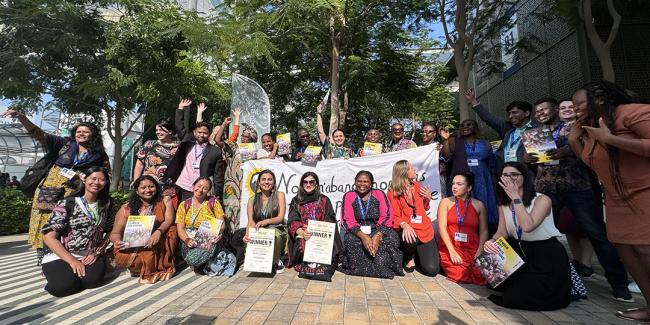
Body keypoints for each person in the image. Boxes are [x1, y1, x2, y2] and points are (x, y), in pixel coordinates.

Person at [531, 97, 630, 300]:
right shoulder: (535, 134)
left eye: (544, 110)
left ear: (556, 110)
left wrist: (565, 151)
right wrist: (527, 158)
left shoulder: (574, 128)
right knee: (539, 231)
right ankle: (538, 275)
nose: (540, 113)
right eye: (537, 111)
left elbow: (588, 148)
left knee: (596, 233)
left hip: (576, 187)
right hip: (547, 188)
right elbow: (532, 158)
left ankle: (620, 285)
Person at [569, 81, 650, 322]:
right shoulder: (592, 127)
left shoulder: (635, 112)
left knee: (646, 250)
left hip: (645, 192)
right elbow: (593, 164)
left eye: (579, 104)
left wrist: (610, 139)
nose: (575, 109)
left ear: (601, 99)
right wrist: (575, 140)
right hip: (617, 198)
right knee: (626, 252)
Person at [0, 109, 110, 264]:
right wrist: (22, 117)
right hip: (49, 190)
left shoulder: (99, 154)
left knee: (68, 222)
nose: (82, 134)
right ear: (74, 133)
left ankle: (66, 255)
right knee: (44, 222)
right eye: (79, 131)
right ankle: (43, 257)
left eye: (86, 131)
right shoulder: (64, 144)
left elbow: (105, 174)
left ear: (93, 134)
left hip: (74, 192)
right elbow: (38, 134)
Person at [484, 162, 570, 311]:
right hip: (521, 250)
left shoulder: (542, 200)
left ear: (525, 177)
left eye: (514, 175)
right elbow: (502, 232)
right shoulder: (503, 203)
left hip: (546, 254)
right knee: (495, 284)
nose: (509, 178)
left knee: (516, 297)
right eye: (505, 175)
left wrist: (516, 197)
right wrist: (491, 241)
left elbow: (528, 226)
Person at [40, 167, 113, 297]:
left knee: (92, 282)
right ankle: (55, 274)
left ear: (106, 183)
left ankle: (68, 275)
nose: (97, 182)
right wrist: (72, 261)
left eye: (102, 180)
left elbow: (111, 231)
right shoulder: (68, 203)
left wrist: (98, 251)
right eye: (93, 178)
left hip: (90, 255)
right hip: (63, 254)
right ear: (84, 179)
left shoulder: (107, 204)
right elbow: (49, 237)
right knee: (63, 288)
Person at [110, 175, 177, 284]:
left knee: (172, 230)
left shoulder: (165, 200)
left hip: (157, 242)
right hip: (133, 247)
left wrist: (158, 232)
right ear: (137, 191)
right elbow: (115, 232)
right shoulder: (127, 208)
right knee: (131, 258)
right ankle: (144, 267)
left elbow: (169, 219)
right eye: (143, 188)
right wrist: (117, 241)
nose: (148, 190)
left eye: (151, 186)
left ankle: (155, 266)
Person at [340, 171, 403, 278]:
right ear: (355, 182)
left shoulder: (379, 194)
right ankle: (358, 269)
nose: (362, 184)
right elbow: (348, 220)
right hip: (358, 231)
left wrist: (378, 236)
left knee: (391, 239)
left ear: (371, 184)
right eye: (359, 181)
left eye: (366, 181)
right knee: (350, 240)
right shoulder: (349, 196)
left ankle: (383, 267)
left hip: (378, 229)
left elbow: (387, 216)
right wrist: (364, 237)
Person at [557, 99, 594, 276]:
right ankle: (577, 260)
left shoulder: (586, 126)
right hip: (558, 185)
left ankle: (587, 263)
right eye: (562, 108)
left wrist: (566, 151)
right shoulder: (556, 129)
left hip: (582, 183)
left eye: (569, 107)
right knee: (568, 225)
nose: (566, 110)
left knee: (586, 227)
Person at [442, 119, 498, 235]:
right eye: (462, 125)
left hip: (483, 182)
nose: (465, 127)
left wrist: (494, 186)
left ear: (476, 128)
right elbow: (446, 157)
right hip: (463, 181)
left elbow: (492, 165)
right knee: (463, 212)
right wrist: (446, 140)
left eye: (469, 125)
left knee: (483, 211)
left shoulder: (485, 143)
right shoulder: (454, 142)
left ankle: (485, 238)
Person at [163, 100, 225, 203]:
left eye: (205, 133)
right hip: (181, 184)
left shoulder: (216, 152)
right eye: (199, 132)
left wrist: (218, 196)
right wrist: (180, 108)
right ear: (195, 133)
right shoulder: (188, 142)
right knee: (181, 214)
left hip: (200, 189)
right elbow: (179, 127)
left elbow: (218, 176)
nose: (201, 135)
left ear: (209, 134)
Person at [464, 89, 537, 172]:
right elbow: (488, 117)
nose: (510, 116)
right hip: (505, 173)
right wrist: (473, 100)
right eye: (509, 113)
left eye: (514, 112)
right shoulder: (507, 128)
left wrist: (527, 159)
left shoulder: (536, 131)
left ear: (526, 113)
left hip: (525, 174)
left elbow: (543, 157)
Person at [388, 160, 439, 276]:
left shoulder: (417, 186)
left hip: (424, 230)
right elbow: (393, 216)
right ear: (404, 172)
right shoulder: (393, 192)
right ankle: (408, 257)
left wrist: (427, 198)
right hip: (408, 231)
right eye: (412, 168)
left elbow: (423, 209)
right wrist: (404, 225)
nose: (415, 170)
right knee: (409, 237)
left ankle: (418, 254)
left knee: (432, 270)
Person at [287, 172, 342, 276]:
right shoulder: (296, 200)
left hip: (321, 234)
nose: (308, 184)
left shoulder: (324, 200)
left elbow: (330, 220)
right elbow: (292, 221)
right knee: (303, 243)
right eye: (305, 182)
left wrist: (316, 228)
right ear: (302, 184)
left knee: (330, 251)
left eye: (311, 182)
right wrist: (302, 232)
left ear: (316, 184)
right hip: (303, 234)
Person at [437, 173, 488, 284]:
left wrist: (480, 251)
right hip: (451, 246)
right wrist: (451, 251)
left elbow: (484, 231)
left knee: (481, 276)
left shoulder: (479, 205)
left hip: (472, 248)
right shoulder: (445, 202)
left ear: (469, 188)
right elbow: (442, 227)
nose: (454, 187)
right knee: (459, 275)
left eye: (459, 184)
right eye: (453, 184)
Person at [175, 177, 232, 275]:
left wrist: (219, 233)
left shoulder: (213, 203)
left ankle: (205, 263)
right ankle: (206, 263)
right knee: (191, 258)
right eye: (199, 186)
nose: (201, 190)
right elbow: (180, 228)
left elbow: (221, 223)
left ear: (208, 191)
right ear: (193, 187)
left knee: (194, 259)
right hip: (190, 239)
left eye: (205, 188)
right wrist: (187, 240)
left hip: (208, 237)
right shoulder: (184, 205)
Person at [243, 170, 287, 273]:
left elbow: (280, 217)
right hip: (260, 230)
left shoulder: (280, 195)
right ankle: (257, 261)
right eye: (263, 179)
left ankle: (276, 260)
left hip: (277, 228)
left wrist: (266, 221)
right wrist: (247, 235)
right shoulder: (252, 200)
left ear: (274, 182)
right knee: (248, 239)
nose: (266, 182)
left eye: (269, 179)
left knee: (274, 234)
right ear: (258, 182)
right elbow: (251, 222)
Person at [133, 118, 178, 184]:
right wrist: (136, 183)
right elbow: (139, 164)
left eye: (161, 130)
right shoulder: (149, 144)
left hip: (168, 188)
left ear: (170, 131)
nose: (158, 132)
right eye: (157, 130)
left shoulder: (178, 148)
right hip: (148, 186)